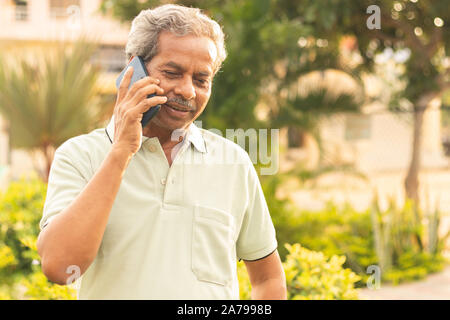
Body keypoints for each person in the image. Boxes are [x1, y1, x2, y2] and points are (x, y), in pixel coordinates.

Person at [37, 4, 286, 300]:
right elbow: (60, 267)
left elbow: (268, 279)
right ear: (134, 68)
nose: (188, 91)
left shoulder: (233, 162)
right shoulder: (80, 156)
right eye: (172, 72)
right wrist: (121, 153)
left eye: (201, 79)